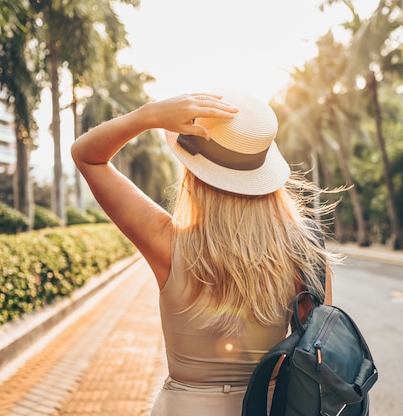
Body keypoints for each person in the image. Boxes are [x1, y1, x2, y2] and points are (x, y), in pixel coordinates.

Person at [71, 90, 339, 415]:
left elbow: (87, 155)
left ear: (194, 175)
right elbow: (314, 350)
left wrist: (148, 115)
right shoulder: (304, 250)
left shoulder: (167, 242)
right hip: (269, 406)